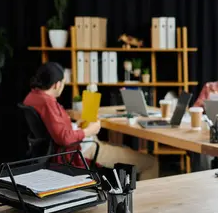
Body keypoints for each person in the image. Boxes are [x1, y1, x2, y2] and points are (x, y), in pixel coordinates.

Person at [23, 62, 159, 180]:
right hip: (80, 151)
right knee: (151, 162)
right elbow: (63, 138)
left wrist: (76, 126)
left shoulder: (32, 97)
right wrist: (89, 131)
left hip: (69, 149)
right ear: (57, 84)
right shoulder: (48, 103)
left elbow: (53, 130)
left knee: (124, 149)